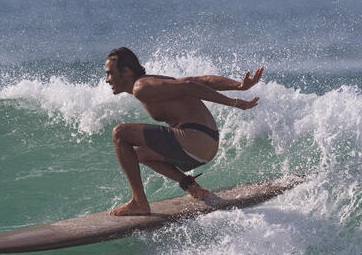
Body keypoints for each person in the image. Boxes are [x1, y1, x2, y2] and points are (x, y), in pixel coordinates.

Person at [104, 47, 263, 216]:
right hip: (206, 144)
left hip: (194, 139)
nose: (107, 80)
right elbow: (200, 81)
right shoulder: (154, 83)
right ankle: (191, 186)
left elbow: (189, 86)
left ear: (127, 71)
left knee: (120, 133)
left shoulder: (142, 87)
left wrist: (235, 102)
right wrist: (239, 85)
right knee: (138, 153)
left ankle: (139, 201)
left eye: (110, 73)